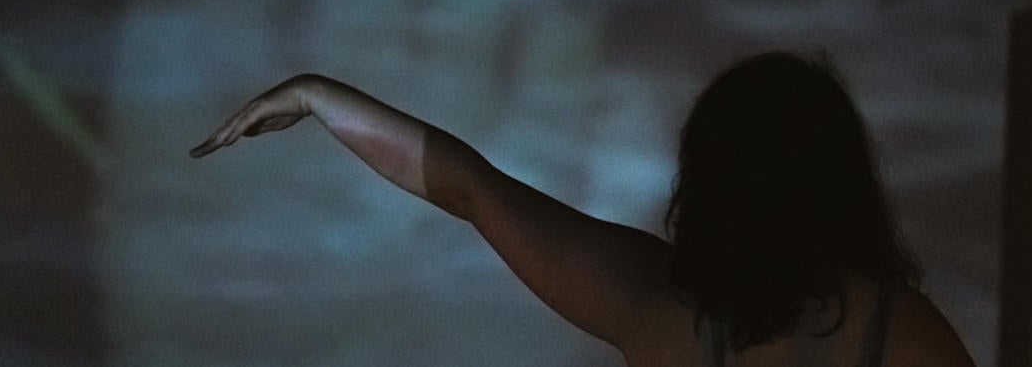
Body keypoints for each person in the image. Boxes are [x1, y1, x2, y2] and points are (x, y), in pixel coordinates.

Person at [190, 52, 977, 367]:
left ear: (706, 181)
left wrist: (318, 97)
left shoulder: (655, 307)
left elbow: (468, 187)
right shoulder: (901, 330)